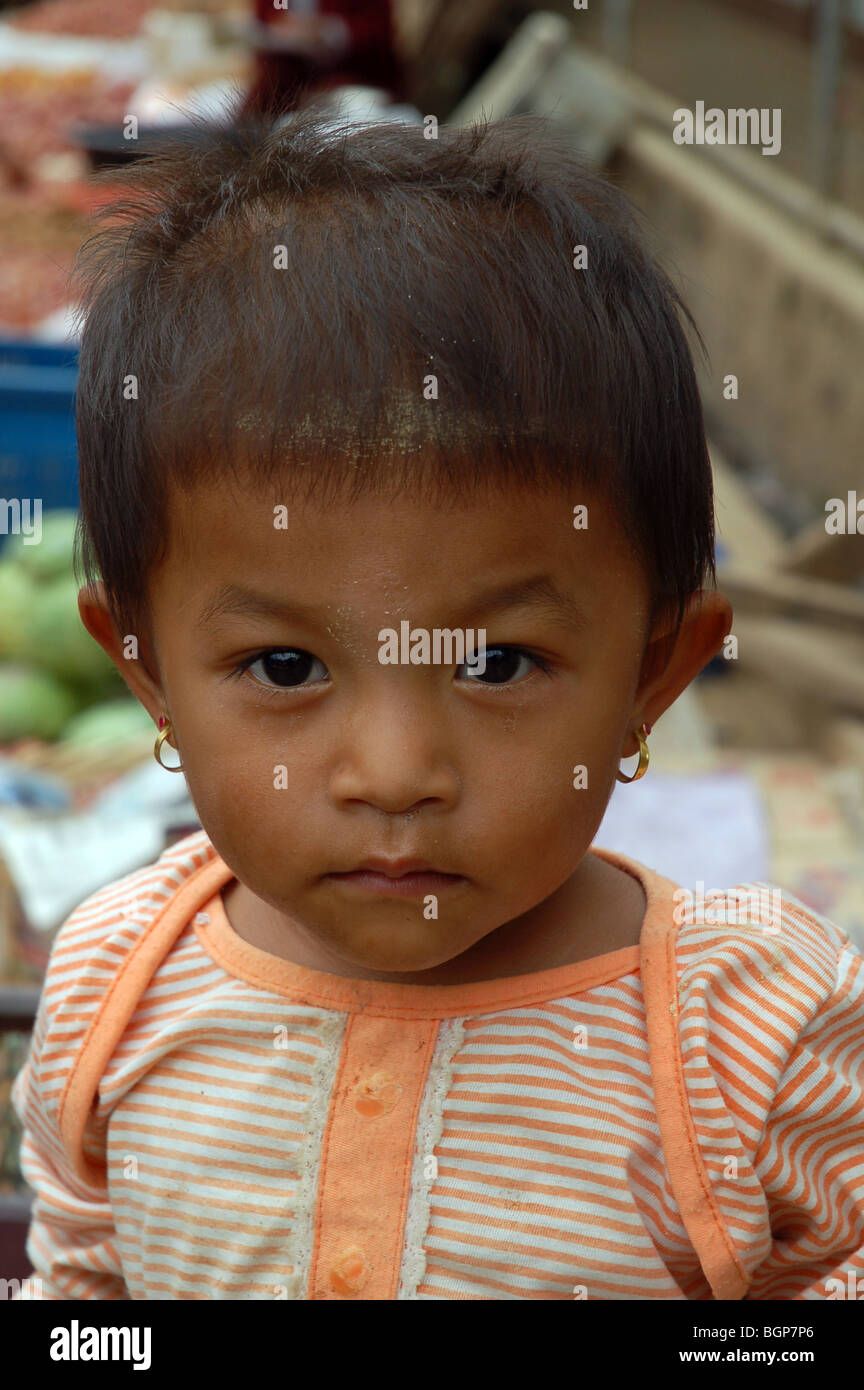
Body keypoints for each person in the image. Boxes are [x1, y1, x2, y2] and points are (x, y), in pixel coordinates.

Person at [11, 109, 864, 1300]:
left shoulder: (748, 1027)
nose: (396, 770)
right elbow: (86, 1283)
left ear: (654, 676)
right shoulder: (116, 985)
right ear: (144, 669)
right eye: (287, 668)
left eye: (500, 663)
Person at [239, 0, 404, 117]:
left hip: (353, 79)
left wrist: (328, 30)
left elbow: (379, 30)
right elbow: (265, 23)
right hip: (286, 82)